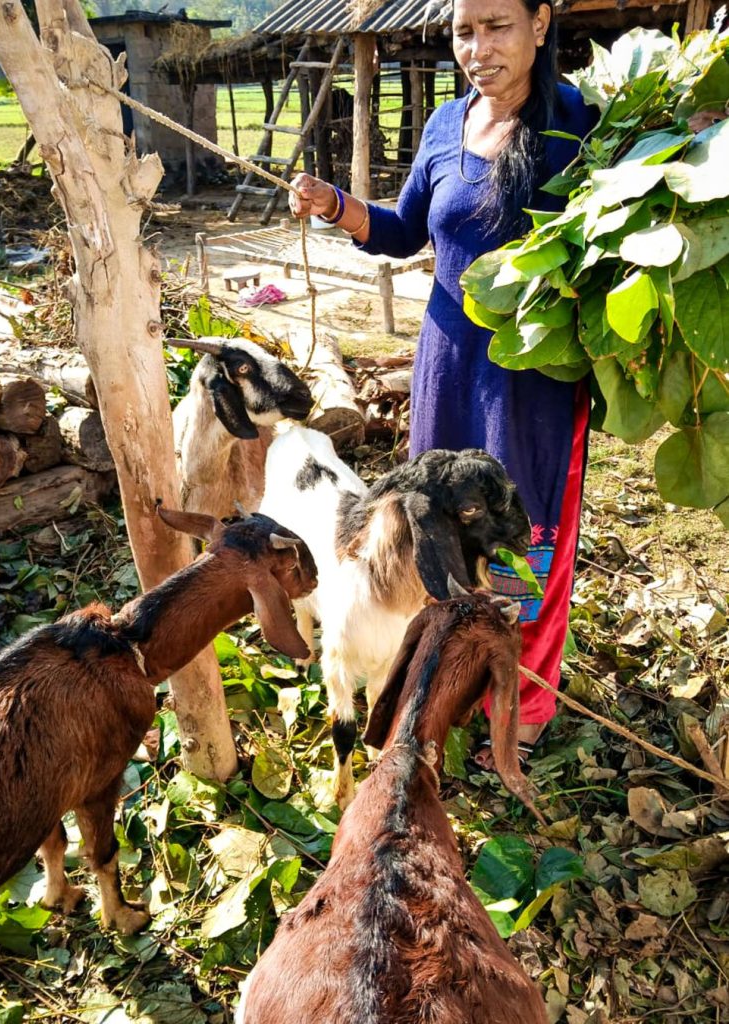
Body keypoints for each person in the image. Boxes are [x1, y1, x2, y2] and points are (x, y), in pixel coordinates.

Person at [288, 0, 599, 767]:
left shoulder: (581, 127)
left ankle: (521, 696)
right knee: (436, 525)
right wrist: (338, 207)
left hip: (533, 374)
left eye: (496, 26)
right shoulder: (442, 126)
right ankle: (450, 670)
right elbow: (404, 229)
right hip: (447, 361)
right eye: (464, 31)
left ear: (539, 22)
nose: (477, 47)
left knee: (525, 537)